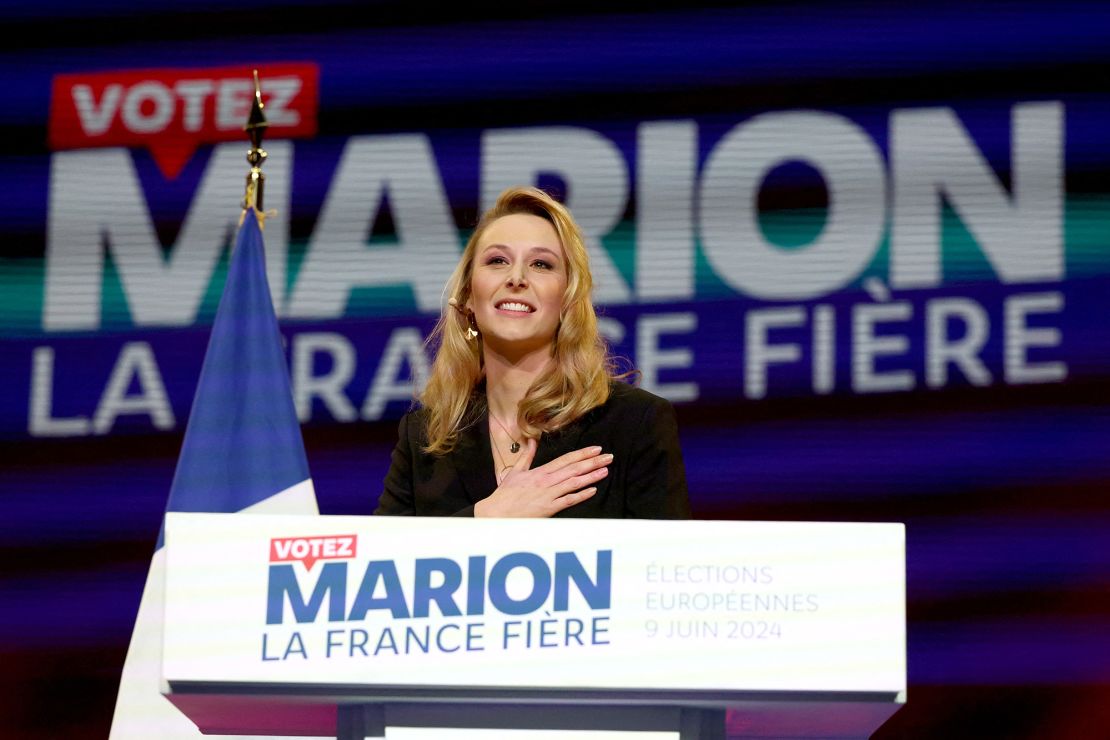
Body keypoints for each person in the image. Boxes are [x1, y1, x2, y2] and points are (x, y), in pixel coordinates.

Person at [374, 186, 690, 519]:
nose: (517, 278)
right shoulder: (424, 436)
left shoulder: (635, 423)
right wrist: (487, 518)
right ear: (468, 295)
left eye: (541, 264)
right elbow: (380, 564)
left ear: (567, 299)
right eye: (497, 260)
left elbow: (662, 564)